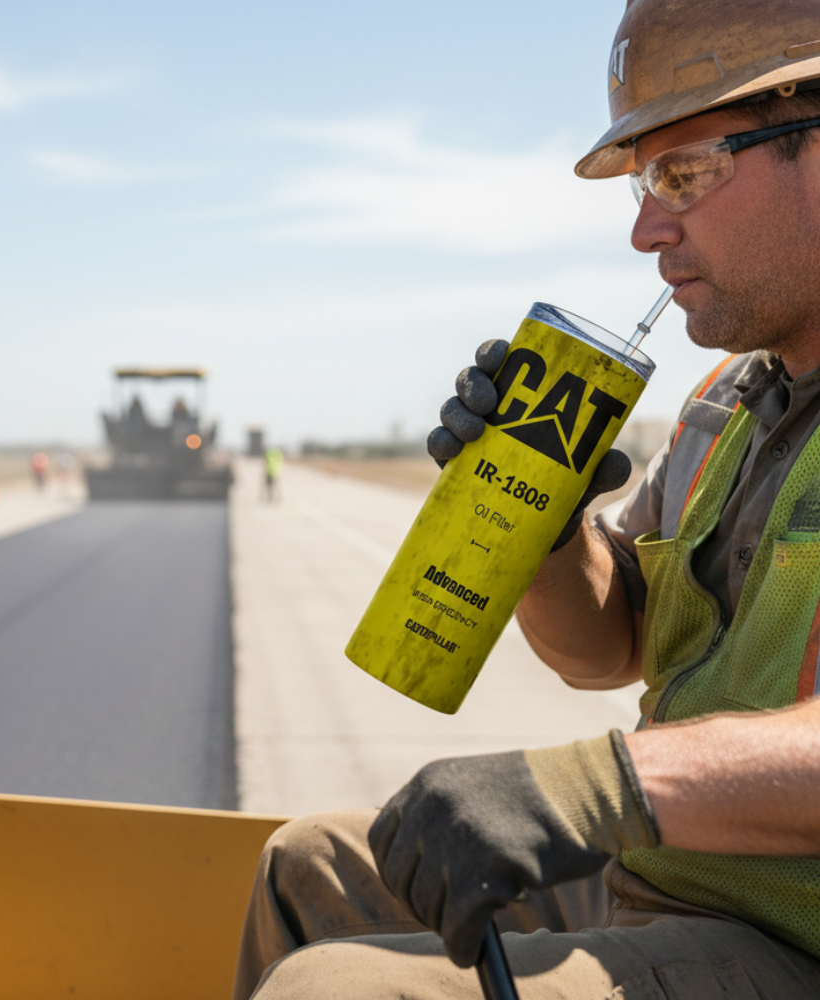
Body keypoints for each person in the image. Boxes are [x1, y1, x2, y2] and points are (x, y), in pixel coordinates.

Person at [231, 1, 820, 997]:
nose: (645, 227)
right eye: (642, 182)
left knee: (334, 989)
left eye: (684, 171)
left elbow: (606, 767)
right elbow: (606, 653)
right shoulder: (724, 406)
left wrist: (589, 788)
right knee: (311, 873)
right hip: (674, 882)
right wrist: (546, 535)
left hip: (789, 932)